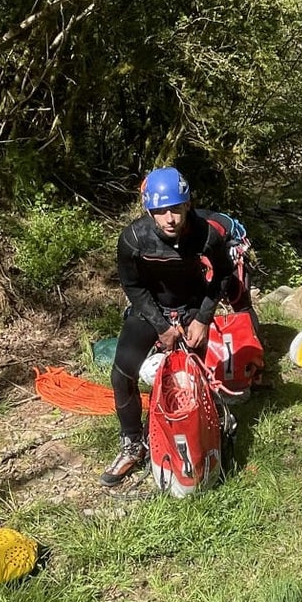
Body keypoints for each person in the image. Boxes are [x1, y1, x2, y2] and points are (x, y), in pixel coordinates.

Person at [102, 166, 234, 486]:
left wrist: (203, 318)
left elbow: (223, 275)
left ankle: (206, 440)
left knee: (196, 380)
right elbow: (133, 286)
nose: (170, 218)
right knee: (121, 376)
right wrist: (162, 326)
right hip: (151, 309)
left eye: (176, 208)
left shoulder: (206, 235)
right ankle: (133, 444)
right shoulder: (134, 238)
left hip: (192, 307)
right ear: (149, 210)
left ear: (187, 205)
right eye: (160, 211)